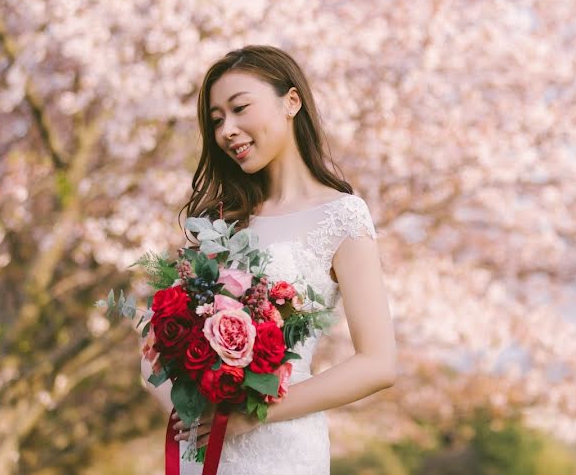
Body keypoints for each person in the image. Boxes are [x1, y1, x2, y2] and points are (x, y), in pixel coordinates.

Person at [140, 45, 398, 474]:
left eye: (240, 108)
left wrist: (248, 417)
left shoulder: (341, 216)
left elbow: (378, 363)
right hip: (203, 450)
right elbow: (154, 343)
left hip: (283, 450)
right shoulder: (218, 220)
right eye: (217, 119)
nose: (227, 130)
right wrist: (189, 410)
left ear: (291, 102)